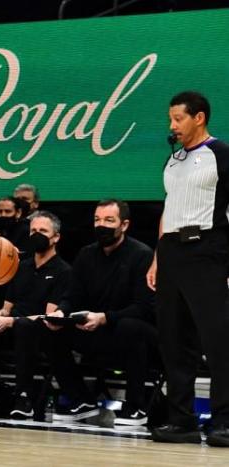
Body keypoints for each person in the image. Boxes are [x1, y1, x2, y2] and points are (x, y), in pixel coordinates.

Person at [147, 91, 229, 446]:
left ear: (199, 118)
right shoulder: (174, 158)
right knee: (174, 340)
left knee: (218, 340)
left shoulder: (220, 154)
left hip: (206, 249)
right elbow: (170, 206)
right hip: (171, 251)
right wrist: (157, 257)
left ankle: (224, 421)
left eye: (178, 118)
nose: (172, 125)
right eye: (170, 119)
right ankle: (181, 421)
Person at [47, 200, 156, 425]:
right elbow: (72, 296)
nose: (101, 225)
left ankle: (136, 406)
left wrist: (105, 318)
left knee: (130, 327)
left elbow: (144, 307)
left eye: (109, 220)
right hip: (94, 329)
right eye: (97, 220)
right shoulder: (86, 254)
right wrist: (61, 312)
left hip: (133, 331)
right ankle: (81, 399)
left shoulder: (142, 255)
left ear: (124, 225)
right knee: (52, 330)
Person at [0, 211, 71, 419]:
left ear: (56, 237)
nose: (36, 235)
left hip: (39, 333)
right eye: (33, 231)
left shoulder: (63, 271)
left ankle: (23, 396)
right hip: (12, 327)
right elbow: (7, 308)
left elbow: (49, 317)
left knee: (24, 327)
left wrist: (10, 321)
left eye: (43, 231)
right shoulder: (20, 266)